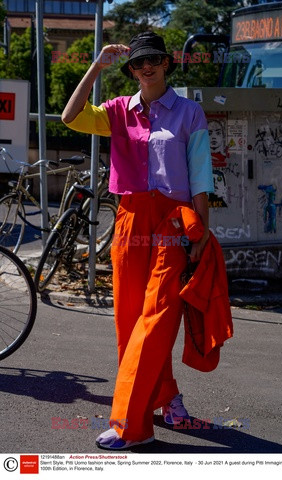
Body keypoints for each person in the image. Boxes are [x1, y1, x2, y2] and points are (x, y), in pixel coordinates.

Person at [62, 31, 214, 450]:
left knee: (156, 320)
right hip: (129, 223)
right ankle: (167, 397)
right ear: (131, 70)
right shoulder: (116, 111)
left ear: (166, 63)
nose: (145, 68)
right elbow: (69, 118)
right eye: (137, 63)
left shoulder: (190, 113)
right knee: (131, 325)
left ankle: (132, 424)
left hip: (172, 224)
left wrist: (201, 231)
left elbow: (201, 175)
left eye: (153, 60)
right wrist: (96, 66)